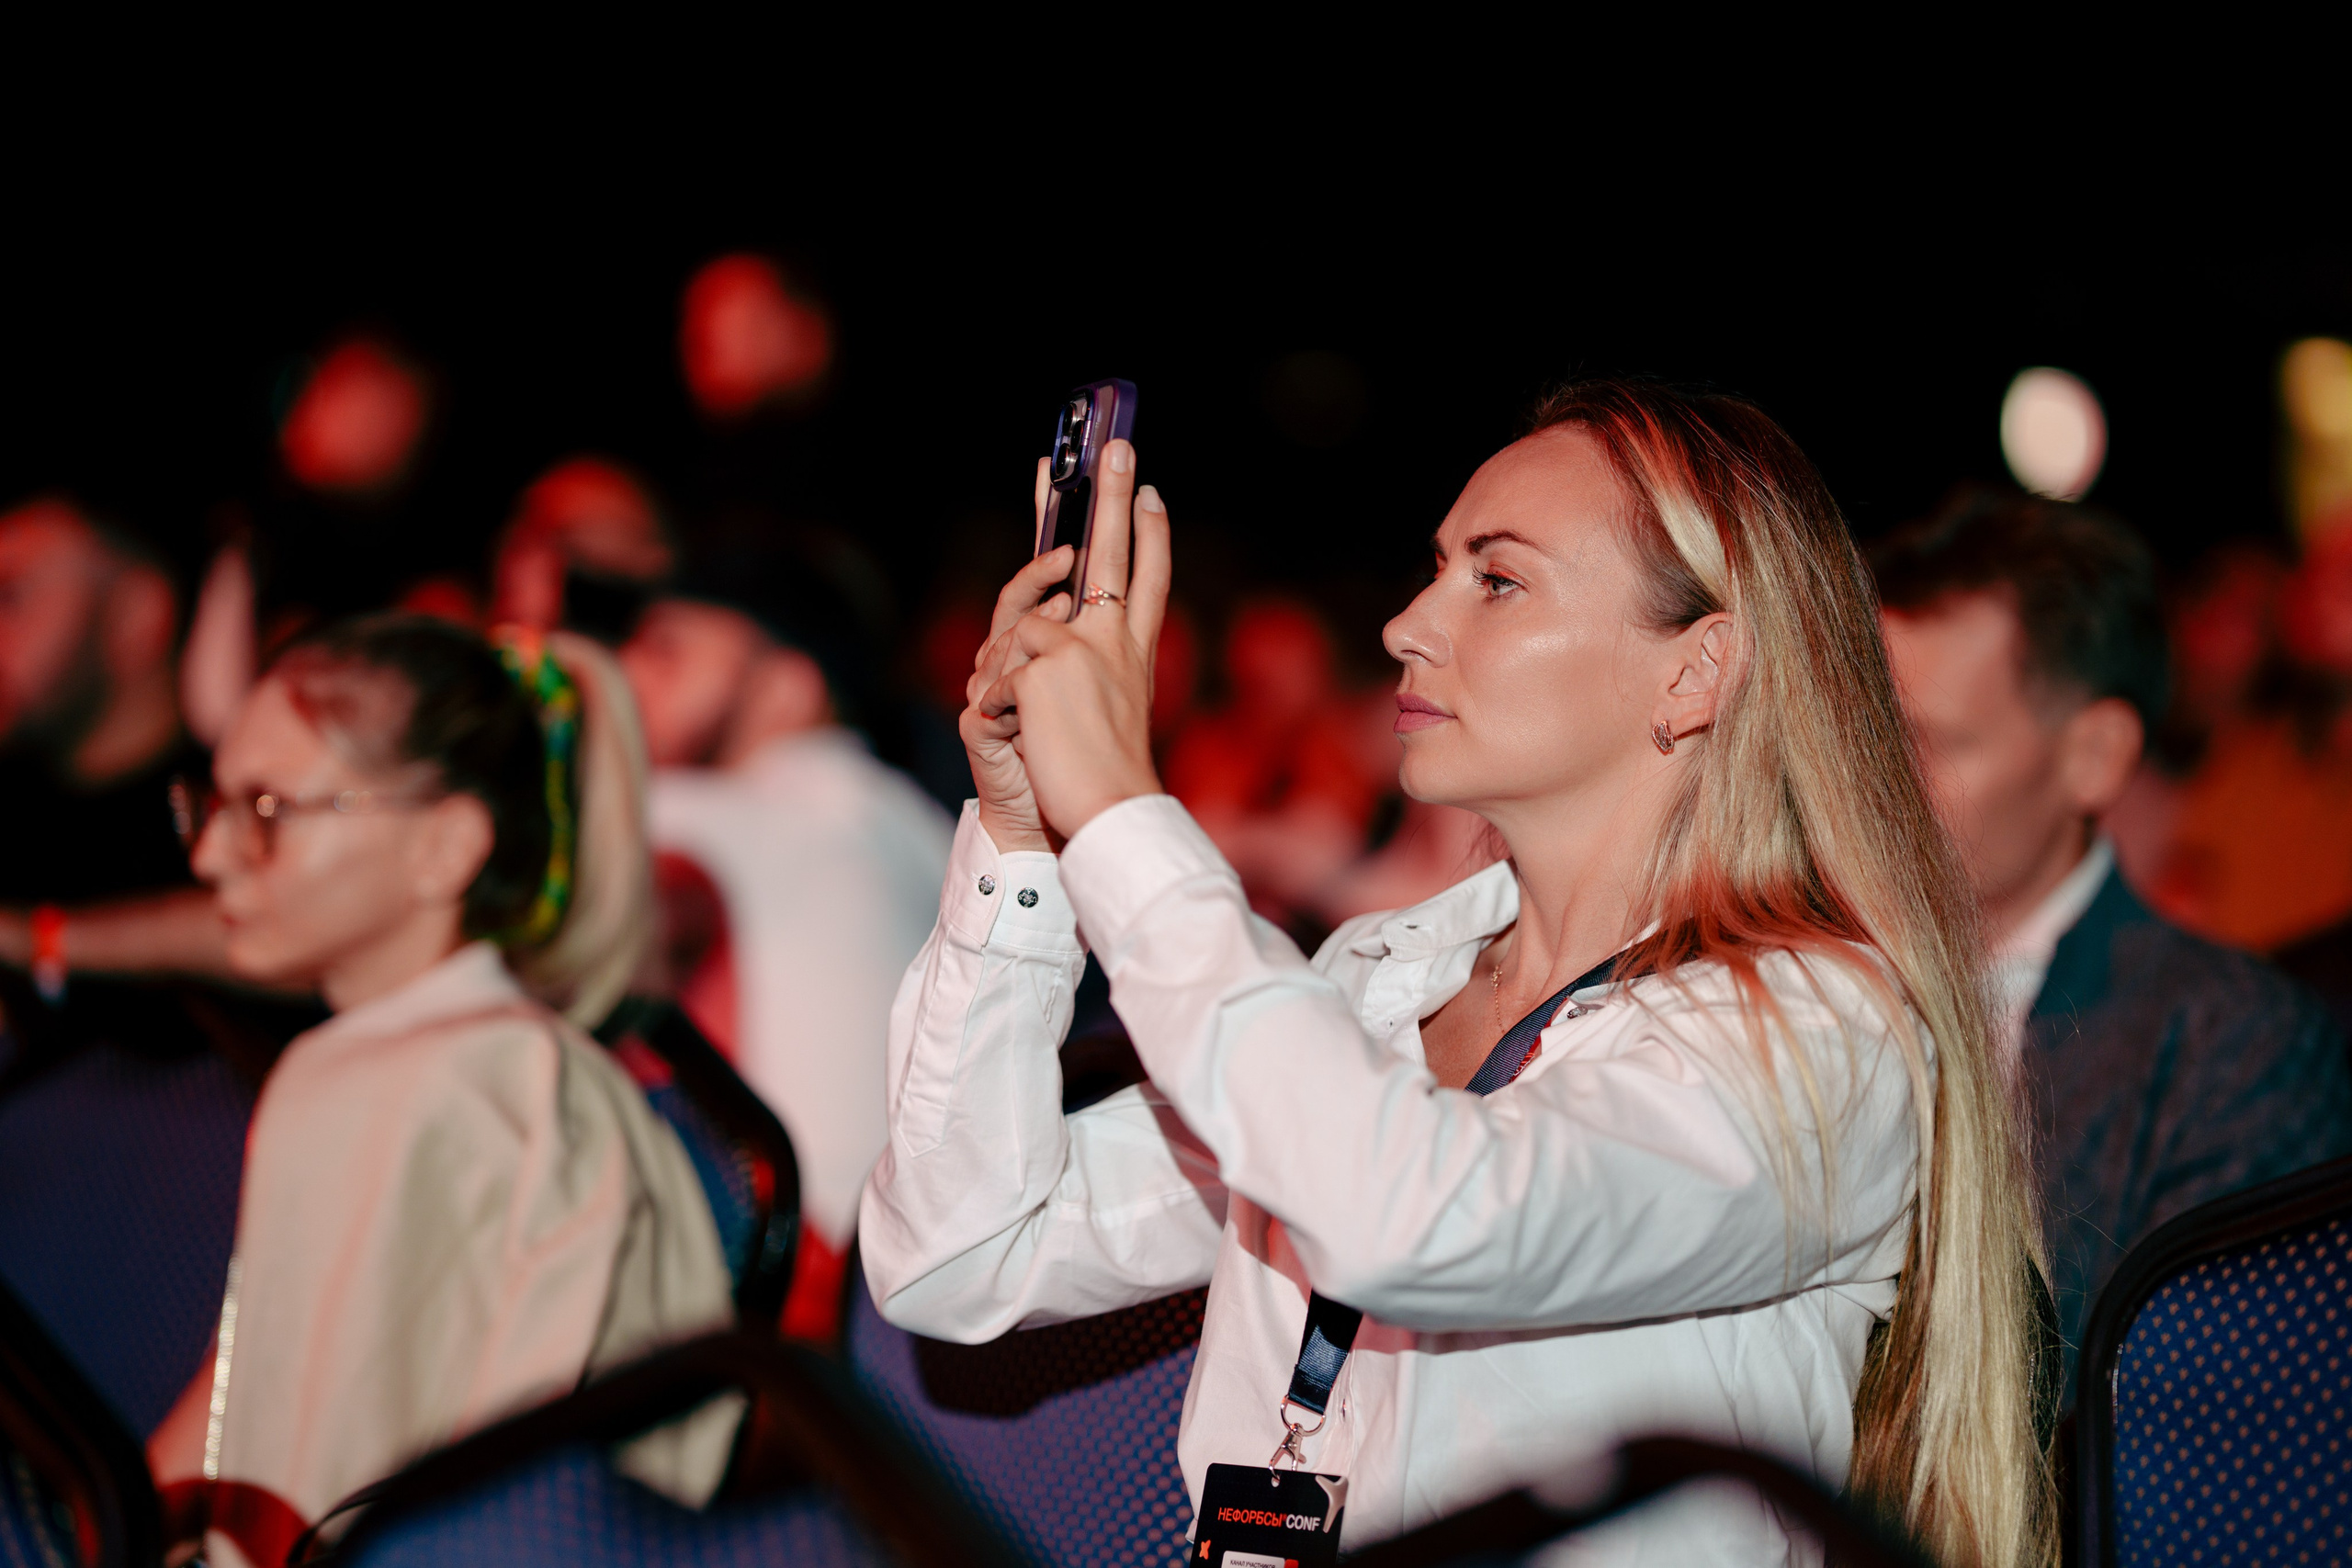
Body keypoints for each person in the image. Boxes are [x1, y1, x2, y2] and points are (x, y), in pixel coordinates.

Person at [864, 383, 2052, 1566]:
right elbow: (963, 1254)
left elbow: (1408, 1213)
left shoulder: (1820, 1028)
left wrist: (1124, 810)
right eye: (1438, 567)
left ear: (1698, 670)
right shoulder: (1387, 980)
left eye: (1497, 579)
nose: (1406, 624)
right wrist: (1025, 843)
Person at [145, 617, 736, 1568]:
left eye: (262, 810)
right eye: (207, 805)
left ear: (445, 846)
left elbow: (315, 1501)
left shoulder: (442, 1083)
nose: (211, 853)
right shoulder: (436, 1062)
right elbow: (239, 1411)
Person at [1874, 489, 2352, 1387]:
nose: (1874, 787)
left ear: (2092, 756)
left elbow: (2203, 1440)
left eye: (1927, 744)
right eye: (1862, 740)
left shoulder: (2229, 1043)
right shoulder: (1800, 975)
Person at [620, 545, 951, 1336]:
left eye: (668, 648)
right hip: (914, 1326)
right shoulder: (923, 826)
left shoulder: (732, 814)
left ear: (787, 689)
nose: (626, 672)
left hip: (800, 1315)